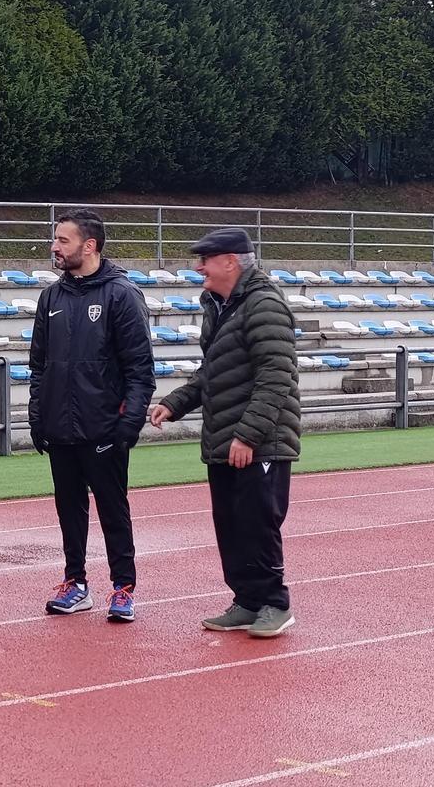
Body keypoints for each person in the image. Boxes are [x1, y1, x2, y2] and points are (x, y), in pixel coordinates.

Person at [149, 227, 301, 639]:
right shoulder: (220, 305)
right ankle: (248, 600)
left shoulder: (264, 305)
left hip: (260, 440)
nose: (199, 268)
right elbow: (215, 373)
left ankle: (275, 603)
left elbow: (277, 376)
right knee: (230, 523)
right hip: (224, 436)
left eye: (206, 260)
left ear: (230, 261)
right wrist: (175, 402)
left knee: (257, 522)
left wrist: (249, 436)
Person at [29, 209, 155, 623]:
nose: (54, 247)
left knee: (113, 509)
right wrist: (37, 416)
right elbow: (38, 366)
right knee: (69, 508)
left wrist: (128, 424)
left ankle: (123, 588)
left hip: (104, 427)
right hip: (60, 426)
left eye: (62, 241)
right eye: (55, 239)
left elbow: (140, 370)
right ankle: (76, 583)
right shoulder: (51, 297)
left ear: (90, 246)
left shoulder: (121, 294)